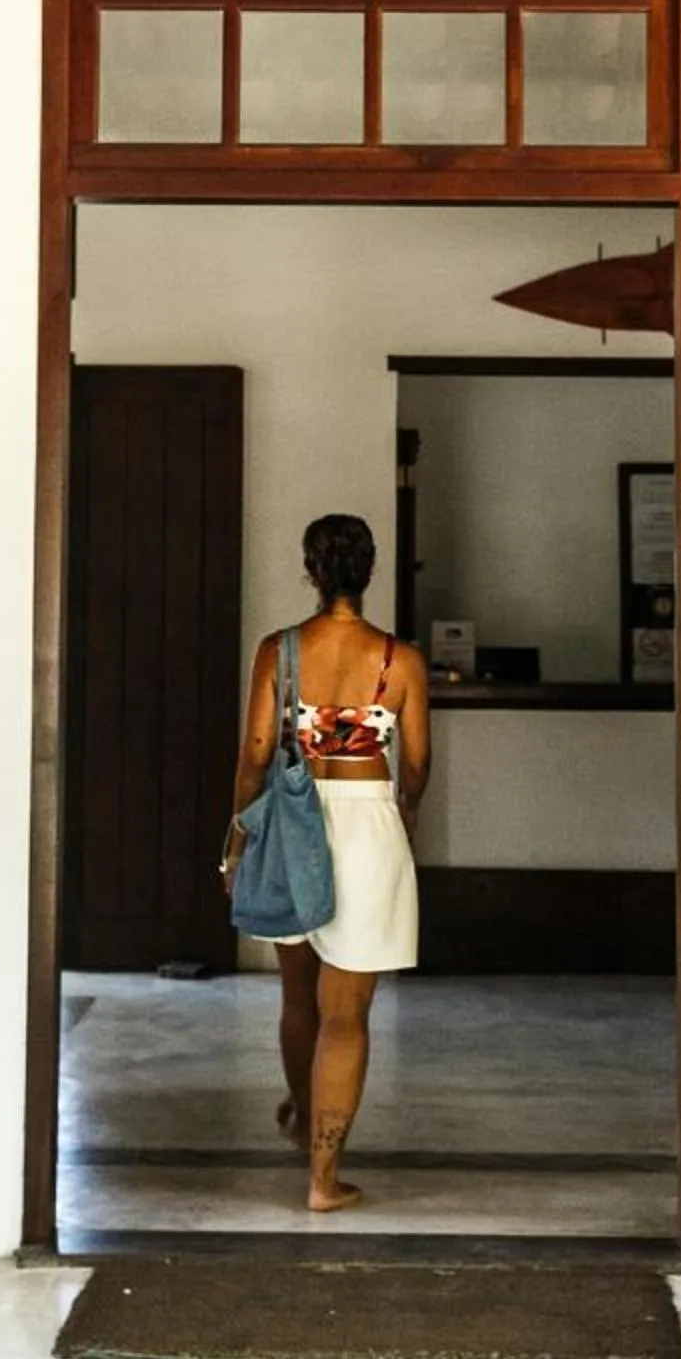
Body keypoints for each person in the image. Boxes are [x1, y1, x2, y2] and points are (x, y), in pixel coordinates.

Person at [220, 513, 430, 1213]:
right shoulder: (400, 660)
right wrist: (403, 814)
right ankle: (323, 1178)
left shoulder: (277, 651)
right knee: (348, 1017)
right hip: (368, 823)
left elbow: (254, 755)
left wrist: (238, 834)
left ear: (311, 572)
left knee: (297, 998)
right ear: (369, 572)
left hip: (292, 824)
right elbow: (419, 763)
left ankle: (304, 1121)